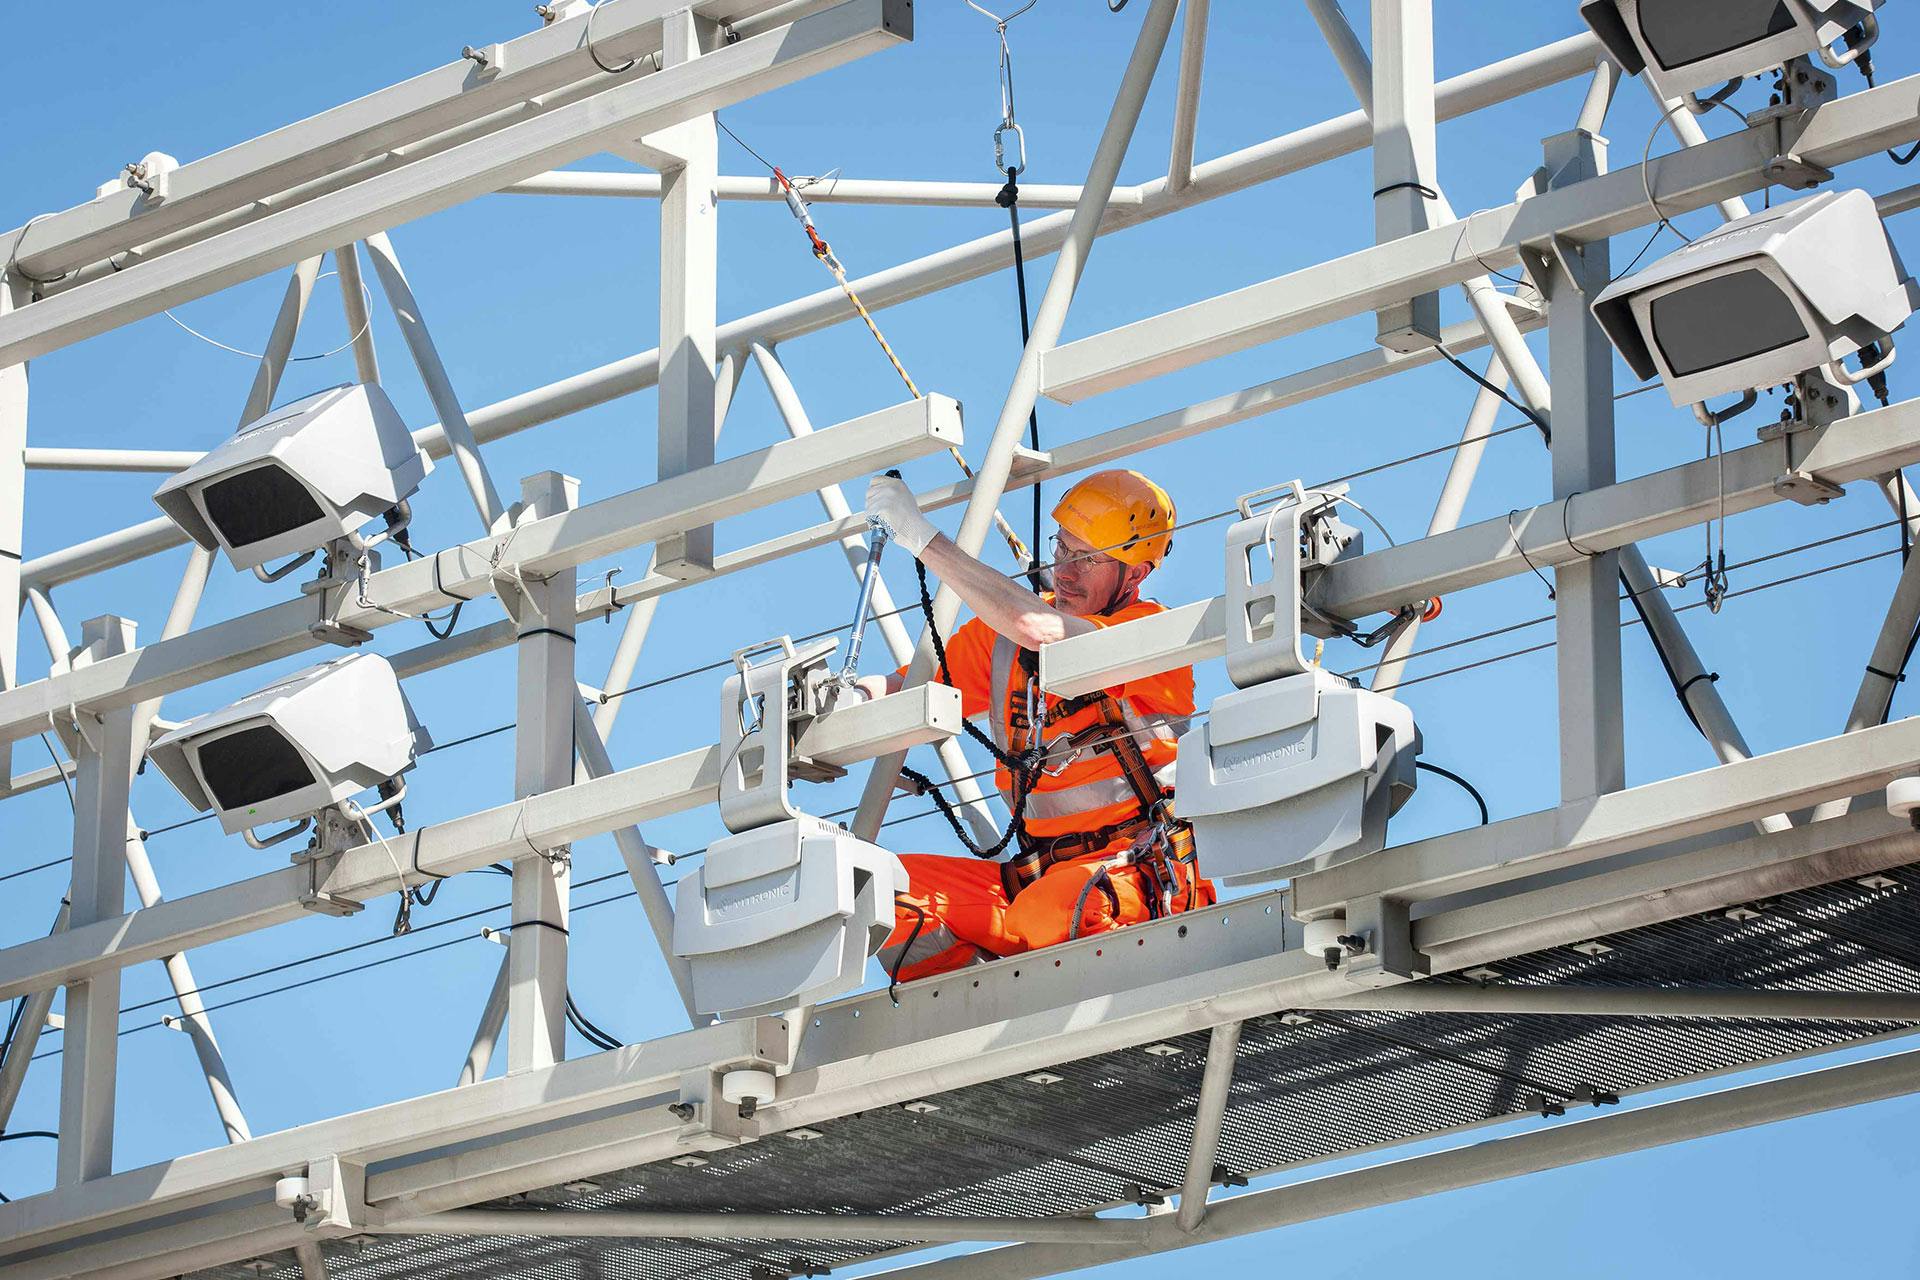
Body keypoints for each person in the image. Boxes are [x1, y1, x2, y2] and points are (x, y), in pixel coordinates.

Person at [857, 468, 1211, 984]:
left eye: (1088, 560)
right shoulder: (1001, 644)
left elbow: (1041, 629)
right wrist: (849, 696)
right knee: (875, 891)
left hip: (1139, 879)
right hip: (1034, 886)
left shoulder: (1154, 636)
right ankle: (971, 1018)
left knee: (1050, 909)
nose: (1065, 571)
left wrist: (921, 538)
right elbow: (913, 686)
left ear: (1134, 575)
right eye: (1064, 549)